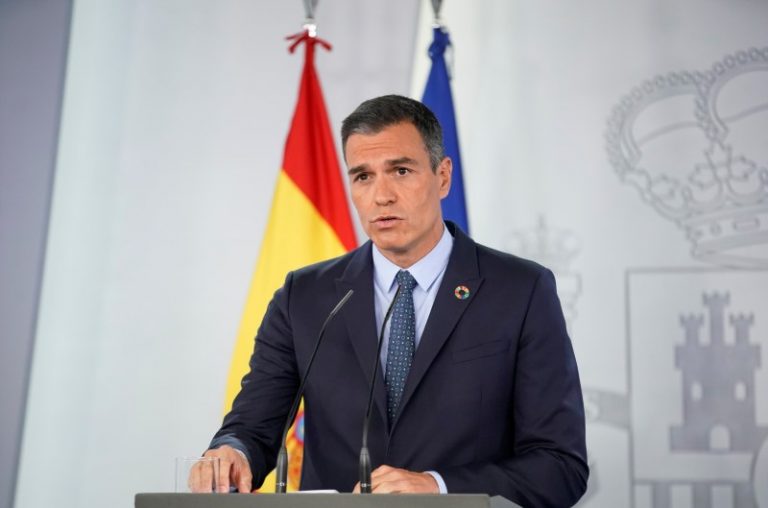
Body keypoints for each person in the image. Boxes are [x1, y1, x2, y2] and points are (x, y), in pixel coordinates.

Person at [198, 95, 588, 506]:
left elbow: (560, 466)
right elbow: (252, 428)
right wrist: (232, 453)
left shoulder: (520, 291)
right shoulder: (305, 297)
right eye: (363, 176)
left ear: (442, 177)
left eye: (401, 171)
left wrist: (437, 487)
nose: (381, 196)